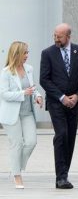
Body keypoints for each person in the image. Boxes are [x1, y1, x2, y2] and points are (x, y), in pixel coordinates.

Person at [40, 23, 78, 189]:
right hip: (56, 103)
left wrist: (77, 96)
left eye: (59, 36)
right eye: (55, 35)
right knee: (61, 135)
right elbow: (44, 79)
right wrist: (62, 97)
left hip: (73, 104)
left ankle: (64, 173)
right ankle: (60, 177)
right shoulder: (47, 53)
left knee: (70, 139)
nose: (56, 39)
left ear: (68, 36)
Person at [0, 41, 43, 189]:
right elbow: (4, 94)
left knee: (31, 142)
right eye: (24, 52)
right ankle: (17, 175)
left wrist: (38, 96)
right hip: (11, 114)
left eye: (27, 52)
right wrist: (23, 93)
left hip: (27, 112)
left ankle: (15, 167)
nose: (27, 55)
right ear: (16, 54)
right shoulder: (6, 72)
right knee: (16, 144)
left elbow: (33, 87)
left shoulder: (29, 69)